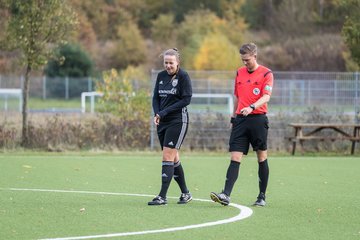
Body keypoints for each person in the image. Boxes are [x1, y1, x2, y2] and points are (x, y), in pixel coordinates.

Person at [210, 43, 274, 207]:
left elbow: (266, 97)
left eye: (247, 60)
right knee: (235, 156)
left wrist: (252, 107)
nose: (245, 63)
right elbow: (238, 98)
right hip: (240, 121)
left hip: (258, 119)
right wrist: (233, 119)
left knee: (261, 157)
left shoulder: (266, 73)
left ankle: (261, 196)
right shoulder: (239, 73)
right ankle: (225, 194)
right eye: (243, 60)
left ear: (255, 56)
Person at [148, 48, 193, 206]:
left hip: (178, 121)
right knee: (173, 158)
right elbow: (155, 97)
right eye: (166, 62)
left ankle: (162, 196)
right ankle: (186, 193)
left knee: (167, 156)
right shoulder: (161, 76)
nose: (168, 65)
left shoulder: (183, 76)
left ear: (177, 62)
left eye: (171, 63)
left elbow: (186, 99)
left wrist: (165, 112)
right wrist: (157, 114)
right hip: (163, 120)